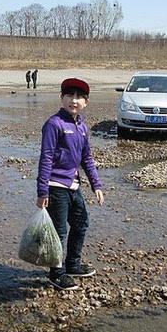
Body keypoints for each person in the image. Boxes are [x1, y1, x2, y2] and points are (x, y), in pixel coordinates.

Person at [36, 77, 104, 290]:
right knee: (58, 232)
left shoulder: (82, 127)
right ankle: (56, 274)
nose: (73, 100)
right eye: (69, 96)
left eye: (79, 97)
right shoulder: (54, 124)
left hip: (74, 186)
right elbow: (46, 157)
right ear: (62, 98)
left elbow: (87, 158)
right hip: (56, 186)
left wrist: (96, 185)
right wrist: (42, 190)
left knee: (81, 223)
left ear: (86, 102)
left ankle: (73, 264)